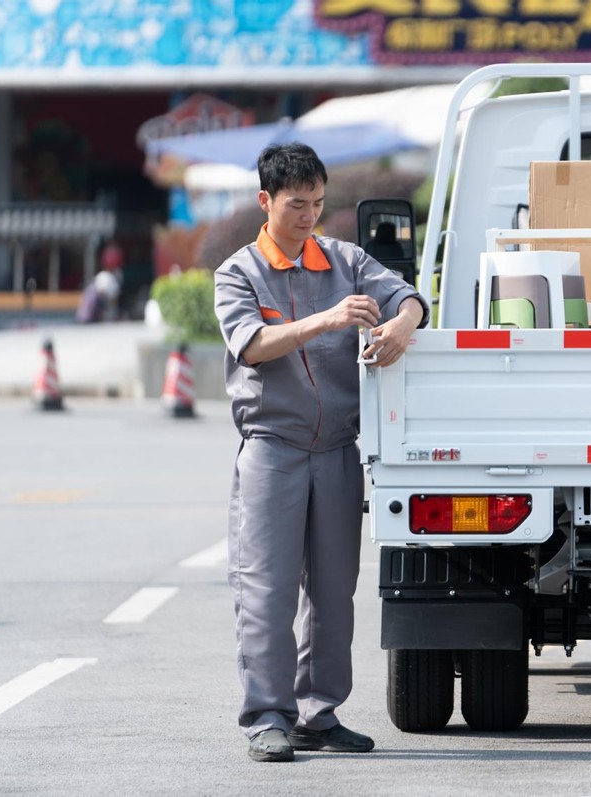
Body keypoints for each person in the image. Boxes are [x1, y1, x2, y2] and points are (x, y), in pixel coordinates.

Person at [213, 142, 428, 763]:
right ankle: (267, 717)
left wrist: (403, 324)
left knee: (334, 593)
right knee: (267, 591)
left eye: (317, 204)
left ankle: (318, 713)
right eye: (296, 205)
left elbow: (407, 296)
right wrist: (329, 320)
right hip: (272, 449)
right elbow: (252, 345)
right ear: (266, 201)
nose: (309, 216)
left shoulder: (346, 259)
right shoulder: (238, 273)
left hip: (337, 451)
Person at [76, 242, 123, 323]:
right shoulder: (104, 278)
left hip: (88, 320)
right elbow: (112, 301)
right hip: (90, 320)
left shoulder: (107, 277)